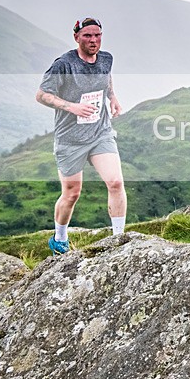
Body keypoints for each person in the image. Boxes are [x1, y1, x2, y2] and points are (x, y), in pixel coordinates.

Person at [36, 17, 127, 255]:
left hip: (100, 133)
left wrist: (113, 97)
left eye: (97, 35)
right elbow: (42, 95)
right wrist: (72, 106)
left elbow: (105, 78)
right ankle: (60, 239)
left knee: (116, 182)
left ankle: (119, 240)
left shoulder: (106, 58)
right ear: (76, 37)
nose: (93, 40)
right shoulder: (64, 64)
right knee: (72, 193)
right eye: (87, 36)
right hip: (70, 140)